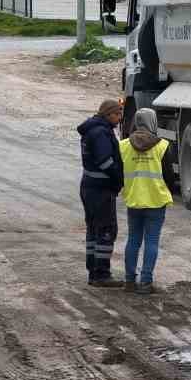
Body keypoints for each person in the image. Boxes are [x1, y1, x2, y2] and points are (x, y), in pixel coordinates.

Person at [119, 108, 177, 294]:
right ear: (153, 122)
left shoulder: (124, 145)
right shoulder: (162, 146)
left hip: (134, 199)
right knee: (151, 242)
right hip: (156, 201)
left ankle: (129, 281)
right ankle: (145, 283)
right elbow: (169, 176)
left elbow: (119, 173)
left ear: (136, 122)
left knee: (133, 240)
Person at [77, 99, 125, 287]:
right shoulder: (101, 133)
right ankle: (101, 274)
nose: (120, 118)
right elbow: (106, 162)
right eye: (118, 114)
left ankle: (93, 271)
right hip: (100, 189)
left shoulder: (93, 130)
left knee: (93, 229)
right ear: (109, 114)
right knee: (106, 230)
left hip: (90, 187)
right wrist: (118, 180)